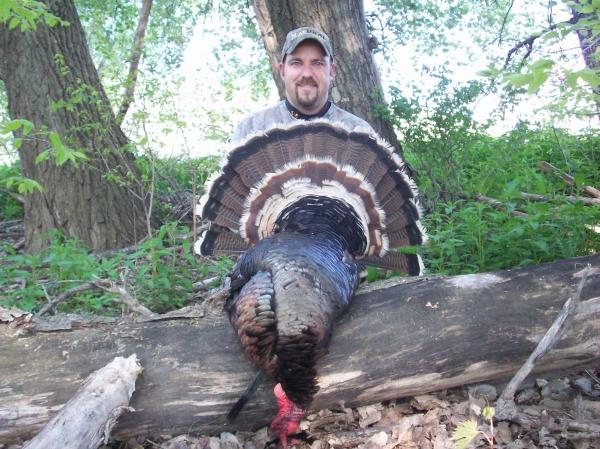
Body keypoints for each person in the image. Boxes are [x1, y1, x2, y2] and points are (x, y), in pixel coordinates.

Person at [231, 26, 375, 144]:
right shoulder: (251, 130)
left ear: (332, 71)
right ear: (282, 71)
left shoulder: (359, 132)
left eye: (317, 63)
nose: (307, 73)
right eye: (296, 63)